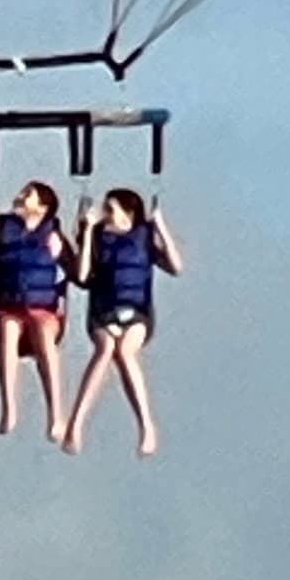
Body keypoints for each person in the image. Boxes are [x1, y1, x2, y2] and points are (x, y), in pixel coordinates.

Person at [64, 189, 183, 457]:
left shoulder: (144, 237)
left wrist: (160, 227)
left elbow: (176, 267)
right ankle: (75, 424)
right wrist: (87, 233)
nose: (105, 214)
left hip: (137, 312)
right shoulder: (97, 236)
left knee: (126, 352)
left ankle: (146, 427)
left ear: (127, 213)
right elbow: (82, 276)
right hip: (103, 312)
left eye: (110, 209)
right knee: (105, 350)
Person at [0, 179, 72, 442]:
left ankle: (56, 415)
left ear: (43, 206)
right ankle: (9, 408)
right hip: (8, 308)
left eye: (27, 194)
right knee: (8, 331)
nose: (20, 196)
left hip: (44, 309)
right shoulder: (2, 229)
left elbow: (79, 272)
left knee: (43, 333)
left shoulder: (54, 233)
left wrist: (75, 241)